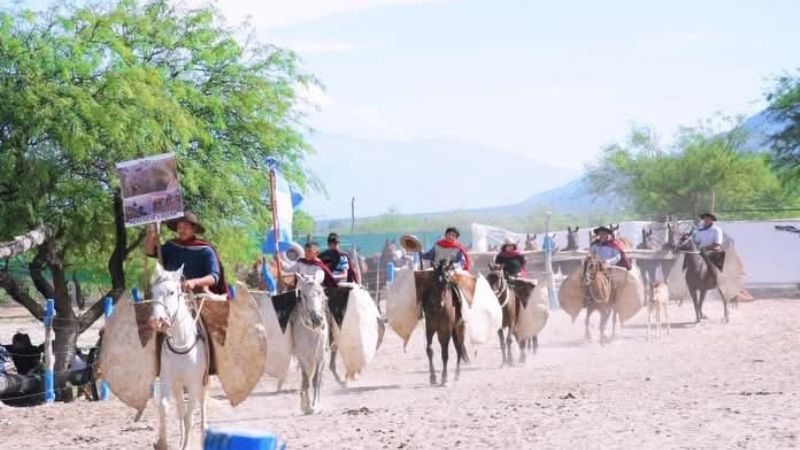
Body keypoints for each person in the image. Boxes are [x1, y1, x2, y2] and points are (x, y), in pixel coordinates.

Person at [144, 211, 228, 295]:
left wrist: (194, 282)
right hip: (169, 292)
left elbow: (214, 277)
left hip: (196, 294)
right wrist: (151, 232)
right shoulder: (170, 246)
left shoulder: (205, 250)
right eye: (179, 227)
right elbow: (149, 251)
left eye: (186, 227)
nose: (182, 230)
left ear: (194, 229)